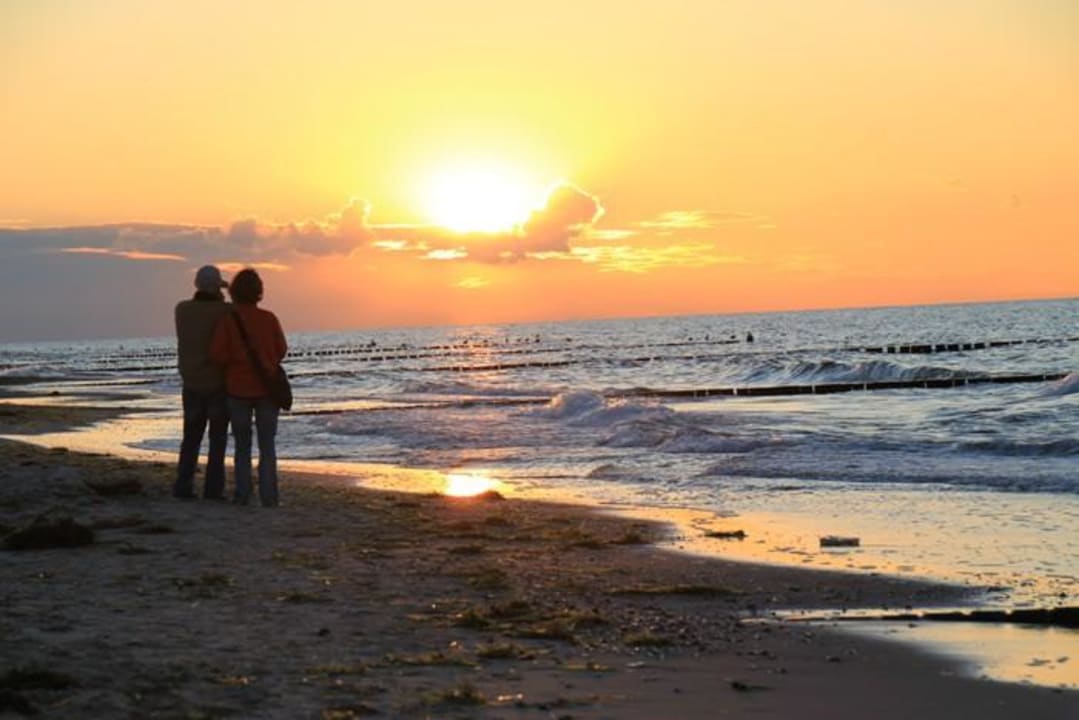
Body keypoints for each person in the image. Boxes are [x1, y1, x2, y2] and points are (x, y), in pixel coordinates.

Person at [210, 268, 288, 507]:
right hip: (267, 391)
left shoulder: (228, 321)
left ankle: (243, 494)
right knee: (267, 446)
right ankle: (270, 497)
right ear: (258, 292)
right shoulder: (269, 318)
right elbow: (281, 350)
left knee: (242, 446)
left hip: (237, 390)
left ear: (234, 292)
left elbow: (218, 355)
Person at [174, 265, 232, 499]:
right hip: (218, 382)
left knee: (191, 438)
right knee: (217, 440)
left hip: (191, 381)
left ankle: (183, 485)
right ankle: (213, 490)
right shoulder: (226, 311)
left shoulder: (182, 310)